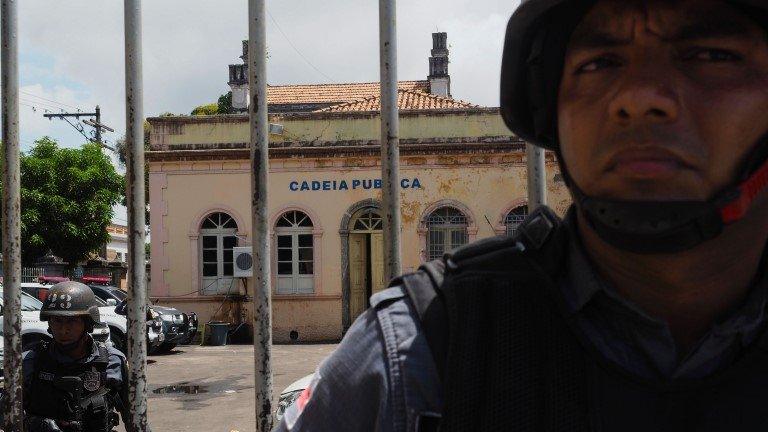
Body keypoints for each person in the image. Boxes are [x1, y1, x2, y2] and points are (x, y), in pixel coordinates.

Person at [276, 0, 768, 431]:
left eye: (711, 56)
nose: (639, 97)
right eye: (600, 62)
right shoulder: (415, 354)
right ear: (549, 106)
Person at [23, 281, 129, 432]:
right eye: (57, 321)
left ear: (88, 323)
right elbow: (7, 412)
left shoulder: (112, 361)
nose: (63, 329)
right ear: (49, 323)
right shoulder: (31, 361)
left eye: (72, 321)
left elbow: (134, 416)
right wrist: (33, 423)